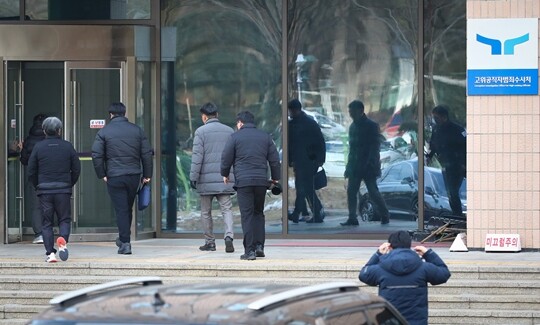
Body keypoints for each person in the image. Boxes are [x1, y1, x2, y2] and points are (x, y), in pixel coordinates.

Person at [91, 102, 153, 255]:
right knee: (127, 208)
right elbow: (146, 154)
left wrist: (102, 174)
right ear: (124, 113)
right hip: (133, 175)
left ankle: (125, 242)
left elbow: (96, 155)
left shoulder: (104, 132)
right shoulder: (137, 130)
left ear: (110, 114)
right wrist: (147, 175)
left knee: (121, 209)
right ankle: (124, 238)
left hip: (115, 176)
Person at [221, 111, 280, 260]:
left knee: (247, 215)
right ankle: (259, 246)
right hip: (261, 181)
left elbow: (226, 157)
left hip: (244, 182)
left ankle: (250, 251)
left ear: (240, 122)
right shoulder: (265, 137)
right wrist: (275, 178)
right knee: (258, 213)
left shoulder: (235, 137)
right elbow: (274, 160)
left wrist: (225, 174)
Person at [359, 230, 451, 324]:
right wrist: (429, 254)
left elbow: (363, 274)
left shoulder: (381, 268)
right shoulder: (423, 267)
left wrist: (377, 254)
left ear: (389, 246)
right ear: (409, 245)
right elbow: (444, 274)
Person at [27, 117, 80, 263]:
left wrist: (39, 185)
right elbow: (76, 169)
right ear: (59, 130)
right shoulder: (67, 146)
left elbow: (31, 170)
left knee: (47, 222)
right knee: (64, 219)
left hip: (44, 190)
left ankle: (50, 254)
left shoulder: (39, 147)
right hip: (63, 189)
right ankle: (63, 242)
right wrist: (69, 184)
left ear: (44, 130)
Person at [190, 102, 236, 253]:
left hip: (205, 180)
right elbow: (233, 156)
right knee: (226, 209)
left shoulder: (200, 132)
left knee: (205, 212)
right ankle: (229, 236)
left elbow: (197, 157)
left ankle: (210, 242)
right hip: (225, 178)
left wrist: (193, 177)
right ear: (217, 115)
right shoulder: (229, 131)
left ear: (204, 117)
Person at [341, 100, 389, 226]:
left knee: (373, 191)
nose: (351, 114)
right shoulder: (352, 127)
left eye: (353, 112)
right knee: (351, 191)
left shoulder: (371, 126)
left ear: (361, 111)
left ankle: (384, 214)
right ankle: (352, 217)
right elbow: (352, 149)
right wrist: (348, 166)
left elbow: (375, 147)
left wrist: (370, 163)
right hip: (355, 165)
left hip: (368, 165)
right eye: (350, 112)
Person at [287, 99, 326, 223]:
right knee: (305, 188)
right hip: (302, 161)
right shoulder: (297, 124)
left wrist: (319, 159)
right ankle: (314, 212)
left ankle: (300, 212)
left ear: (296, 110)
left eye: (291, 111)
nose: (290, 113)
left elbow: (320, 141)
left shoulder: (307, 123)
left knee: (304, 187)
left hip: (308, 161)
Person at [426, 105, 466, 217]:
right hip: (445, 165)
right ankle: (456, 214)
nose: (435, 120)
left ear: (444, 117)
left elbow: (466, 146)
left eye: (437, 117)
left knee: (453, 191)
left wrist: (464, 163)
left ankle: (458, 214)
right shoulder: (436, 129)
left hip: (458, 165)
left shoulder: (457, 130)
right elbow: (433, 145)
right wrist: (429, 156)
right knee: (450, 193)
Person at [20, 113, 48, 244]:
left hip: (34, 177)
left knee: (36, 205)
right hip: (49, 176)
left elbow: (24, 159)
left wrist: (21, 149)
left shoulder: (29, 139)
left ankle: (39, 234)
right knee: (49, 204)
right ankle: (50, 231)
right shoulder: (49, 139)